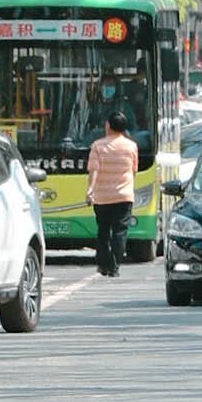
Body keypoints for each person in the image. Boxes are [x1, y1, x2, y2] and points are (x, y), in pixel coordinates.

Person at [85, 105, 138, 277]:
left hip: (103, 196)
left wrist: (90, 191)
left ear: (108, 126)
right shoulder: (131, 146)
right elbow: (134, 170)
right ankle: (115, 265)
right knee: (120, 231)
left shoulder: (98, 146)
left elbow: (94, 170)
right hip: (124, 195)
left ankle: (103, 264)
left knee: (103, 231)